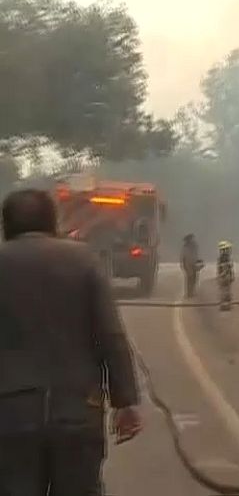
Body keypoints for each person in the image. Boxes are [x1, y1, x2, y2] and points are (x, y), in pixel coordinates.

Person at [0, 189, 142, 496]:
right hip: (77, 411)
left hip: (11, 415)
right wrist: (125, 401)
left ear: (6, 225)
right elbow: (110, 334)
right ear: (53, 222)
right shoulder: (83, 261)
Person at [180, 233, 202, 299]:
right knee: (190, 278)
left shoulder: (192, 246)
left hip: (192, 263)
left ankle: (191, 292)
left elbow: (196, 255)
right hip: (189, 264)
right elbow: (184, 256)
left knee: (193, 278)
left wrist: (198, 262)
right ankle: (189, 292)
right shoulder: (187, 246)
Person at [217, 240, 235, 311]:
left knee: (224, 291)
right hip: (225, 277)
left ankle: (224, 305)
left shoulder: (221, 259)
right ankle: (226, 305)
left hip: (223, 277)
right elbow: (228, 268)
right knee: (226, 291)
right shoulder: (226, 258)